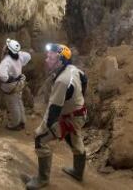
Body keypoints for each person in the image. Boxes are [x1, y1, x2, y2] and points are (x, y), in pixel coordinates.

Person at [25, 43, 88, 189]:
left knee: (40, 139)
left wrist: (41, 129)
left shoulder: (62, 80)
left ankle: (42, 179)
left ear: (60, 61)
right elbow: (84, 79)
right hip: (78, 113)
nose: (47, 60)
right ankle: (78, 172)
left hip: (71, 118)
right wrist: (76, 99)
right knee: (73, 137)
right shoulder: (73, 69)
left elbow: (53, 110)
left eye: (50, 57)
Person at [0, 38, 31, 131]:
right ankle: (22, 121)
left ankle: (14, 124)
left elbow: (2, 76)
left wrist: (11, 78)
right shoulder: (20, 55)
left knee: (13, 104)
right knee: (19, 102)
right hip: (20, 83)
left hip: (11, 85)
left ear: (8, 49)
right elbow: (28, 56)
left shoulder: (6, 61)